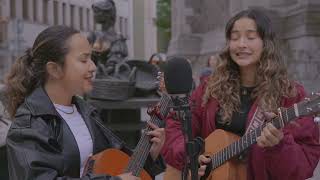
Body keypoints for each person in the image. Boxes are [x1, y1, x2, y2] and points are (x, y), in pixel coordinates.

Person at [161, 8, 320, 180]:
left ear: (266, 43)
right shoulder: (210, 87)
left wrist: (279, 146)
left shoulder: (290, 94)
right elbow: (177, 126)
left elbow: (303, 167)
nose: (241, 44)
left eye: (250, 37)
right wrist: (191, 158)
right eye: (235, 37)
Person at [4, 25, 166, 180]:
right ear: (54, 69)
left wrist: (149, 155)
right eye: (84, 60)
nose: (93, 67)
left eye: (92, 58)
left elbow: (116, 168)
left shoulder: (87, 112)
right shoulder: (28, 125)